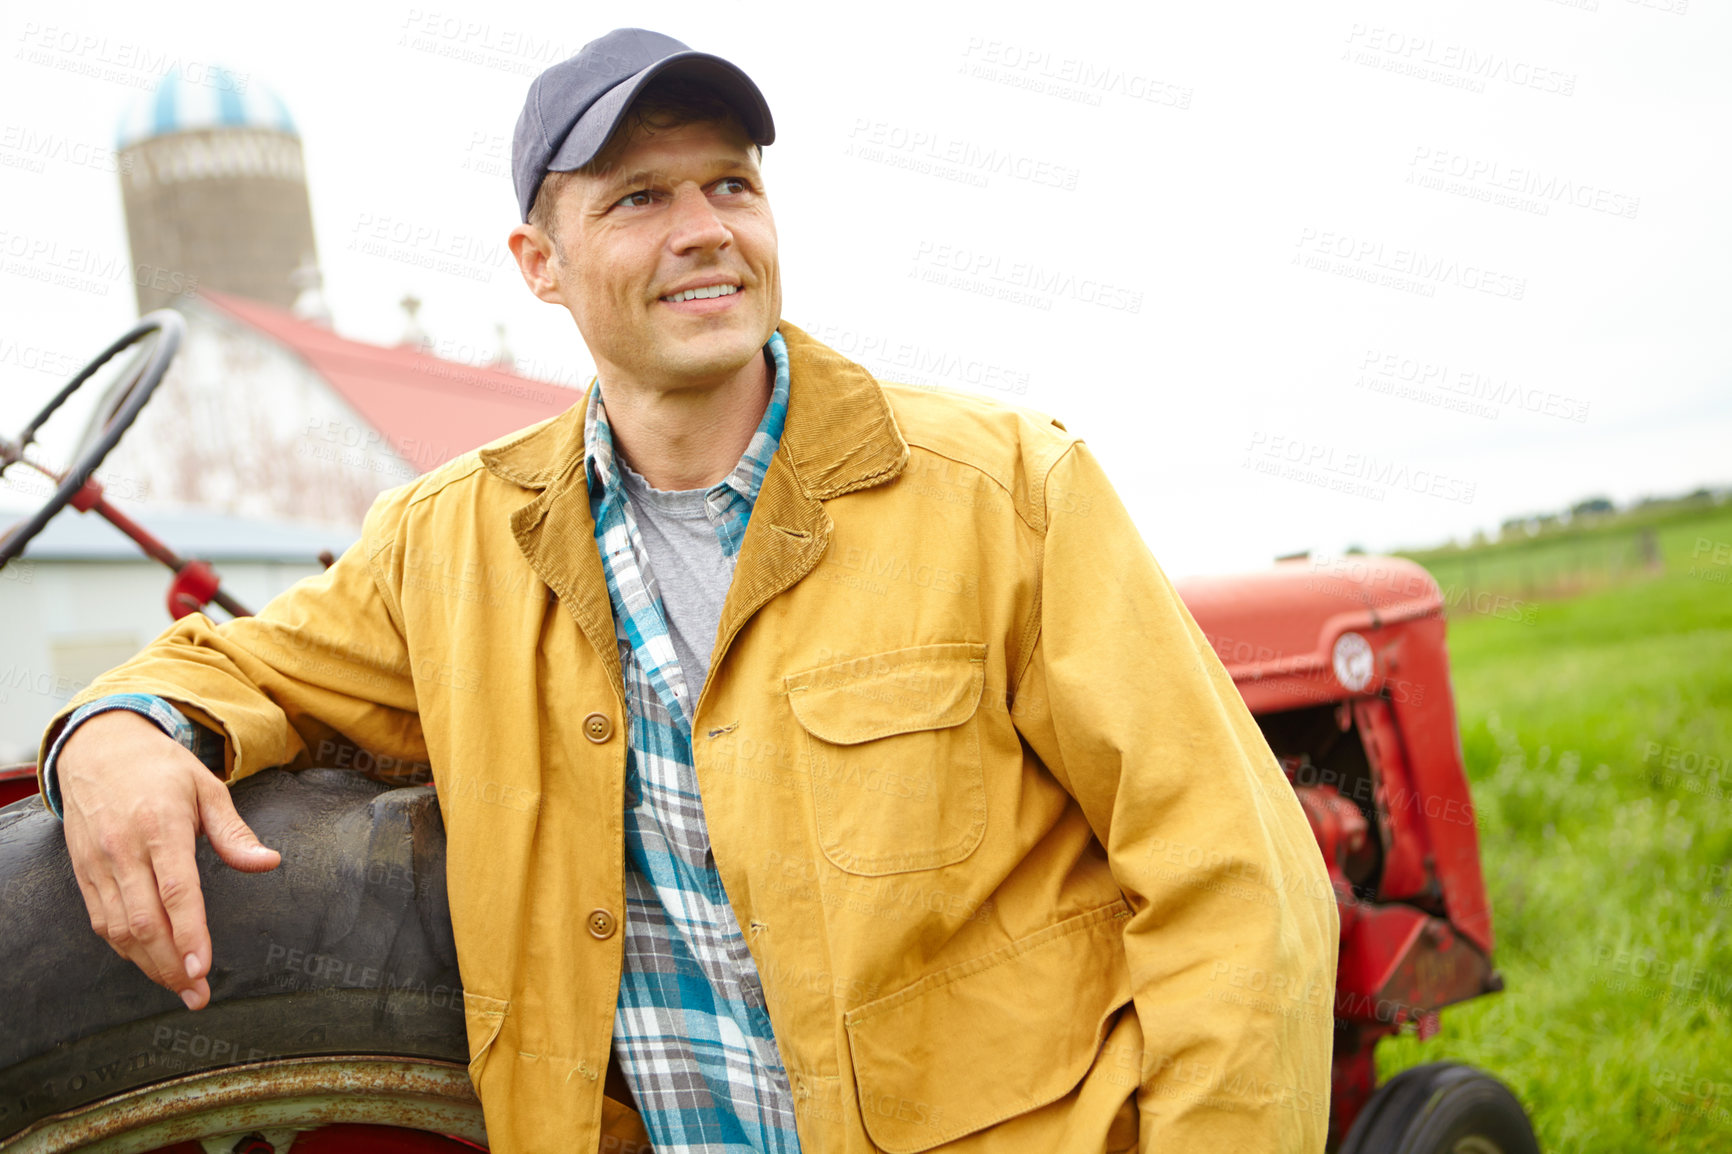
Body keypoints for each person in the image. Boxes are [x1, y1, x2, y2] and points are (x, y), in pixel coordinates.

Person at [38, 27, 1337, 1154]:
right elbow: (241, 662)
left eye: (732, 182)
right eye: (639, 197)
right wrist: (115, 730)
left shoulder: (1004, 488)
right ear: (538, 263)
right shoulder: (453, 546)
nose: (706, 227)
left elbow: (1236, 878)